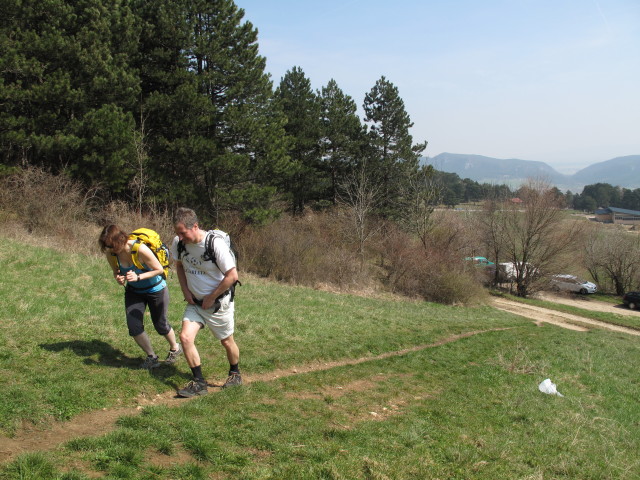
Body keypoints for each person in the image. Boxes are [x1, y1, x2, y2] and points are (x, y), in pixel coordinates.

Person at [171, 207, 242, 397]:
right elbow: (179, 266)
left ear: (195, 226)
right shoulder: (179, 243)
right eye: (177, 232)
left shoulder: (214, 244)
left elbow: (232, 276)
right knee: (185, 338)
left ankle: (235, 373)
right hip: (195, 303)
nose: (179, 236)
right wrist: (186, 291)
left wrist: (211, 297)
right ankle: (199, 382)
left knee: (227, 341)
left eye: (182, 232)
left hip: (219, 304)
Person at [98, 225, 182, 369]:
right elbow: (116, 272)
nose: (110, 249)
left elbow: (159, 270)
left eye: (111, 246)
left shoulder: (139, 249)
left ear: (120, 240)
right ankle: (152, 357)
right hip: (134, 292)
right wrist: (118, 278)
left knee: (160, 325)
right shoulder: (111, 254)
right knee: (134, 327)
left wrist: (138, 277)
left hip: (156, 290)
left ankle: (175, 348)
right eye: (107, 246)